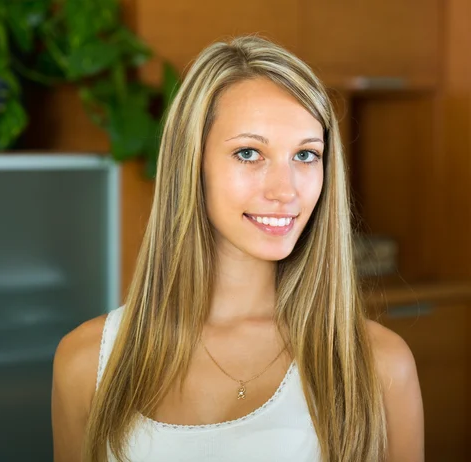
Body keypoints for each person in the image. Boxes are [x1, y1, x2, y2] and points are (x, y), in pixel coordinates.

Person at [51, 36, 424, 462]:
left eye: (305, 155)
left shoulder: (380, 366)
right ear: (192, 166)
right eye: (249, 153)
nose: (285, 191)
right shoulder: (86, 363)